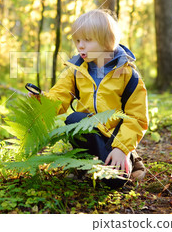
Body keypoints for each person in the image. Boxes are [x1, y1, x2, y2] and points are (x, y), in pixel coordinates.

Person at [30, 9, 148, 188]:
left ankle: (130, 157)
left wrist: (121, 148)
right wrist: (43, 100)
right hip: (88, 133)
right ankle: (83, 161)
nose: (80, 46)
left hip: (114, 139)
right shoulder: (76, 71)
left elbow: (137, 118)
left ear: (107, 40)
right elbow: (59, 96)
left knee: (115, 182)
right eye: (77, 40)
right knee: (75, 119)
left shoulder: (128, 76)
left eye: (87, 40)